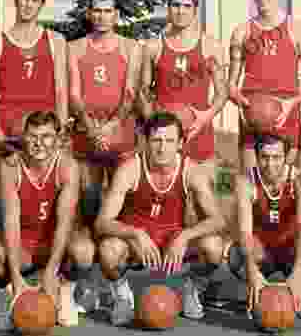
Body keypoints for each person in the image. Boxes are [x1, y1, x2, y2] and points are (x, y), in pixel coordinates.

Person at [94, 112, 227, 325]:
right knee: (109, 250)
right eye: (156, 140)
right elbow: (102, 222)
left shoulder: (191, 170)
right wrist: (136, 233)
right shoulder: (130, 168)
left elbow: (218, 220)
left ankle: (191, 288)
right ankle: (122, 296)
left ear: (180, 143)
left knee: (213, 247)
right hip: (137, 243)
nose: (162, 147)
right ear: (146, 141)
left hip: (172, 238)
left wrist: (185, 236)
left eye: (169, 141)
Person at [0, 111, 92, 329]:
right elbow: (10, 220)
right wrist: (16, 276)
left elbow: (65, 223)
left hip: (54, 241)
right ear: (23, 137)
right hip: (24, 244)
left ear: (58, 138)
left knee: (84, 251)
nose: (39, 143)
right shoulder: (10, 166)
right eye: (32, 136)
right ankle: (7, 296)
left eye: (46, 136)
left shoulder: (68, 167)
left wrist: (51, 271)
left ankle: (65, 293)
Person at [0, 0, 69, 199]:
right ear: (15, 1)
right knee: (6, 197)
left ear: (41, 6)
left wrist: (60, 130)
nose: (29, 5)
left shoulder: (55, 40)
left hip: (44, 129)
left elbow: (61, 90)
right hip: (9, 130)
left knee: (45, 195)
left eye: (35, 1)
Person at [227, 133, 301, 329]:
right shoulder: (245, 181)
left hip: (290, 250)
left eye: (276, 157)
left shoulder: (300, 180)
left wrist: (298, 272)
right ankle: (256, 288)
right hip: (262, 252)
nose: (270, 164)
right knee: (236, 255)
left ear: (286, 157)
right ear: (256, 157)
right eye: (264, 157)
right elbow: (244, 231)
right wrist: (252, 271)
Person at [67, 0, 141, 243]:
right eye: (97, 10)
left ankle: (118, 256)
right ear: (89, 14)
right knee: (89, 196)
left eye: (107, 11)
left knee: (123, 200)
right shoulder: (74, 48)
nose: (101, 16)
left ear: (116, 16)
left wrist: (110, 127)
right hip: (87, 133)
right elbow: (74, 95)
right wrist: (91, 128)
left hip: (120, 132)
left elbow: (130, 93)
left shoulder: (131, 48)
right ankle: (88, 255)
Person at [227, 0, 301, 171]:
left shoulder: (297, 29)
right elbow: (231, 83)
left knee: (288, 184)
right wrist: (236, 96)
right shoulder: (241, 32)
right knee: (250, 178)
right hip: (252, 111)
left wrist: (293, 103)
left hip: (286, 112)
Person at [139, 0, 228, 165]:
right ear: (168, 9)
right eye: (175, 5)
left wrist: (206, 117)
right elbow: (143, 92)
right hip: (163, 137)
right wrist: (153, 124)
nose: (181, 11)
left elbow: (222, 93)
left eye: (187, 6)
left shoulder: (212, 46)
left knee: (202, 190)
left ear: (195, 10)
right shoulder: (153, 47)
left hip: (198, 133)